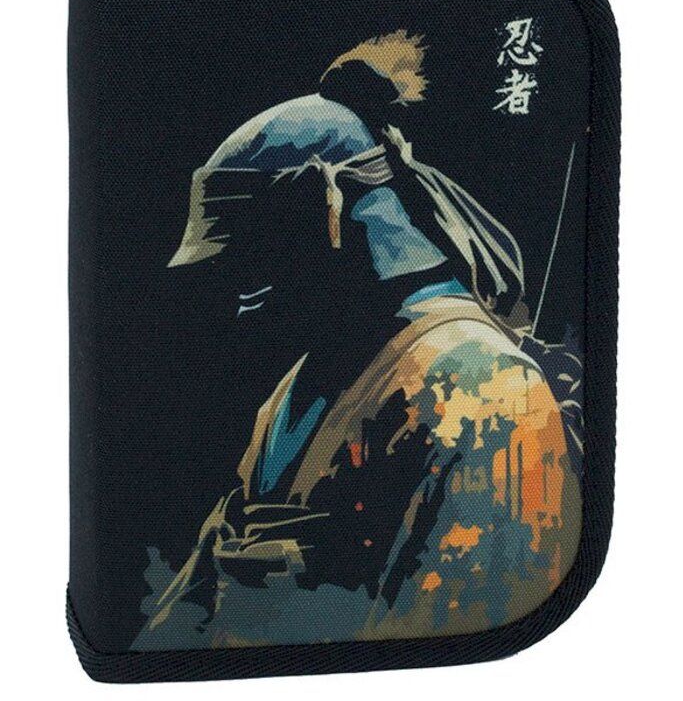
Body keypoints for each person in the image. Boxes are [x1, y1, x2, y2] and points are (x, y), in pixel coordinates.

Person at [133, 32, 581, 650]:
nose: (239, 302)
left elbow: (448, 643)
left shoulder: (488, 395)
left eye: (251, 263)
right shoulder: (293, 394)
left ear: (325, 218)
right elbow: (195, 604)